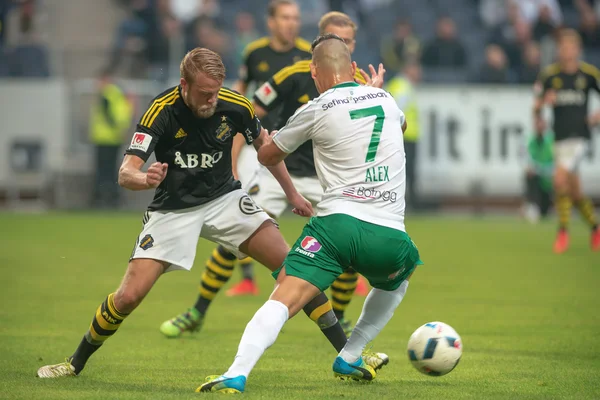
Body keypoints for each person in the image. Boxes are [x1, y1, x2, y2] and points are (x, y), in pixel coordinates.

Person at [36, 47, 388, 379]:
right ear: (184, 84)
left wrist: (292, 193)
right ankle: (75, 362)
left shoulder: (235, 105)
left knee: (293, 268)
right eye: (204, 93)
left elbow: (267, 148)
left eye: (216, 92)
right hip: (173, 209)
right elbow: (125, 172)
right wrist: (145, 179)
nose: (211, 100)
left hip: (224, 199)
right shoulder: (161, 110)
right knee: (129, 296)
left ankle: (348, 356)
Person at [198, 34, 421, 394]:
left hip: (335, 228)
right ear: (352, 69)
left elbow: (268, 156)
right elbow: (399, 126)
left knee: (284, 298)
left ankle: (236, 373)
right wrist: (376, 91)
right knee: (399, 279)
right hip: (391, 236)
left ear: (314, 71)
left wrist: (270, 140)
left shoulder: (316, 108)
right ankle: (350, 353)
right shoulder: (386, 99)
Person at [160, 11, 384, 338]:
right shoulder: (291, 75)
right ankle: (197, 311)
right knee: (238, 238)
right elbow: (245, 115)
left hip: (332, 181)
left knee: (350, 250)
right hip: (281, 175)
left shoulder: (362, 84)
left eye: (349, 42)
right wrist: (233, 164)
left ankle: (339, 319)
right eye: (339, 41)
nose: (345, 49)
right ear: (319, 45)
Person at [221, 0, 312, 296]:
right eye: (285, 17)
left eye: (295, 18)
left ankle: (344, 272)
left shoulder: (307, 56)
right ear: (271, 22)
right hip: (255, 144)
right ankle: (248, 277)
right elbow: (243, 92)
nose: (291, 23)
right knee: (242, 210)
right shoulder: (255, 52)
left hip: (291, 149)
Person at [533, 29, 600, 253]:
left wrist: (597, 116)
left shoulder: (589, 74)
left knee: (559, 179)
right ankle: (595, 226)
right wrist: (543, 106)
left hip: (580, 137)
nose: (566, 51)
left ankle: (562, 232)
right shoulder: (549, 76)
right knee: (575, 191)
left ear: (578, 50)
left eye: (570, 47)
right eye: (562, 47)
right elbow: (536, 106)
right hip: (560, 138)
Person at [89, 68, 134, 209]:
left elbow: (109, 116)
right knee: (113, 169)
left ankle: (101, 199)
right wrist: (120, 130)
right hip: (115, 137)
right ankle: (114, 198)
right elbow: (124, 113)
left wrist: (114, 127)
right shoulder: (118, 93)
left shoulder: (107, 94)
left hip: (104, 138)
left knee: (102, 170)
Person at [386, 60, 421, 210]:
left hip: (406, 135)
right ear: (409, 69)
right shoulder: (402, 86)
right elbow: (398, 111)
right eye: (416, 68)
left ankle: (407, 202)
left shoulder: (400, 85)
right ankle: (408, 203)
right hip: (404, 135)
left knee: (405, 171)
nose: (419, 72)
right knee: (407, 171)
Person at [522, 118, 554, 223]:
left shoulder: (551, 141)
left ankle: (540, 207)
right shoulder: (530, 140)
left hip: (548, 175)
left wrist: (544, 170)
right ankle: (532, 206)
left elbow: (554, 160)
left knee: (544, 211)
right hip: (537, 174)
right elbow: (528, 159)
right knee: (530, 176)